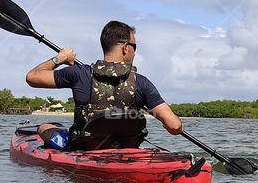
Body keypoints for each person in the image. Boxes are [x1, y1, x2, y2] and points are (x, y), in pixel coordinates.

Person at [25, 20, 183, 150]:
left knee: (44, 127)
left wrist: (60, 58)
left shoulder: (78, 73)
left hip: (85, 148)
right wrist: (171, 125)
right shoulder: (142, 82)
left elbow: (32, 77)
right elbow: (174, 126)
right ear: (126, 48)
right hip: (127, 151)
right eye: (135, 48)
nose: (134, 52)